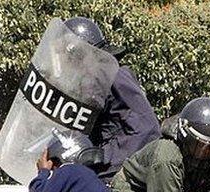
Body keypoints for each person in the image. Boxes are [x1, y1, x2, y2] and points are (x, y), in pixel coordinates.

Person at [64, 17, 161, 182]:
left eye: (67, 56)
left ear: (80, 54)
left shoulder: (111, 75)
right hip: (107, 171)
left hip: (120, 176)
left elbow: (146, 128)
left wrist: (104, 157)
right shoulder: (92, 79)